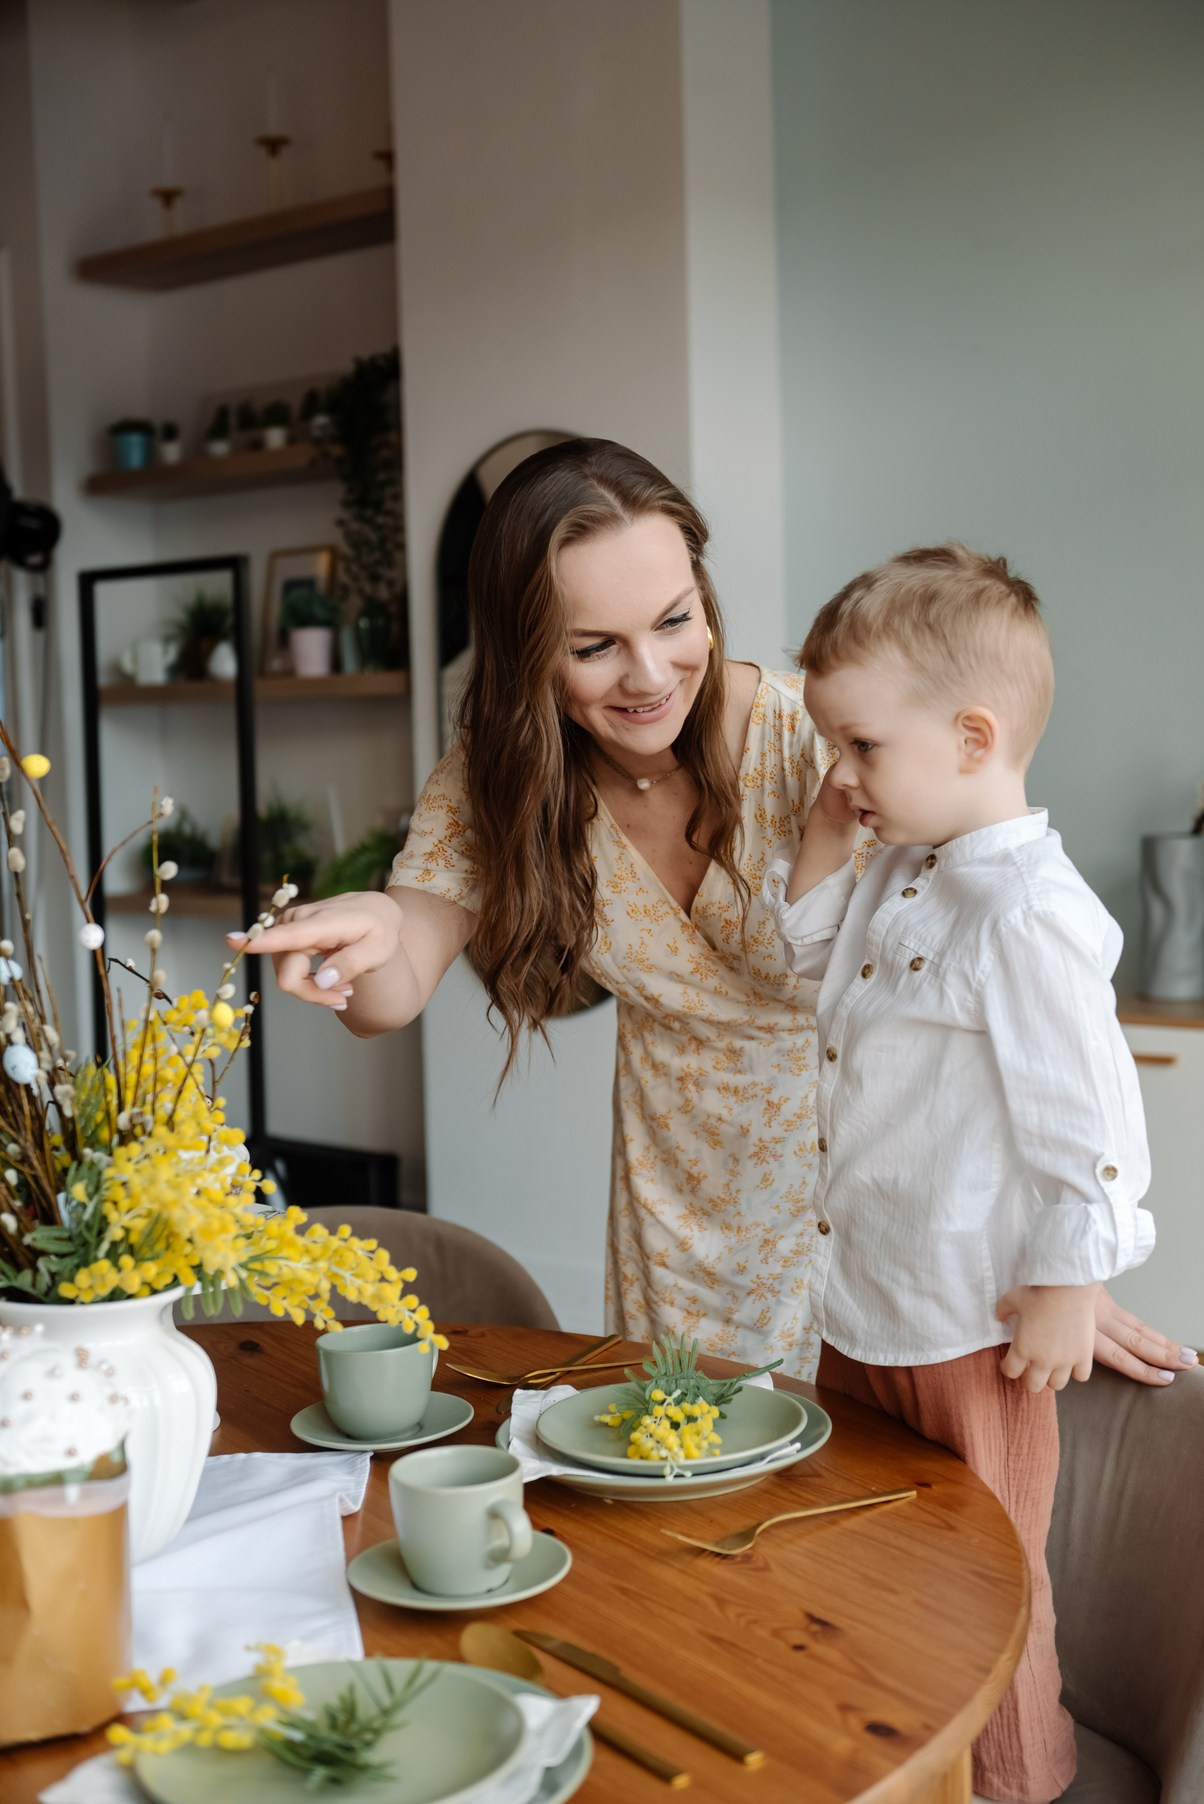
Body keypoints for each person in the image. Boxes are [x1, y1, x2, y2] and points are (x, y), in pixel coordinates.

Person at [231, 438, 1194, 1393]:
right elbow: (395, 980)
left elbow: (1007, 1004)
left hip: (880, 1212)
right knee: (683, 1496)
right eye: (594, 646)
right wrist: (371, 937)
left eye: (673, 620)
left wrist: (1050, 1261)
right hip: (673, 1210)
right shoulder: (500, 779)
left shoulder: (821, 744)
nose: (650, 675)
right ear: (528, 656)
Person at [762, 542, 1155, 1803]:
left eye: (861, 748)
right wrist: (831, 833)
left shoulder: (1025, 915)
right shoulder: (896, 863)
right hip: (863, 1300)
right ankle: (901, 1766)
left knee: (985, 1586)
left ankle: (1020, 1784)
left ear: (974, 736)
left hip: (962, 1327)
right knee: (870, 1558)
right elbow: (800, 958)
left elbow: (1089, 1121)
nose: (841, 773)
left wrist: (1064, 1280)